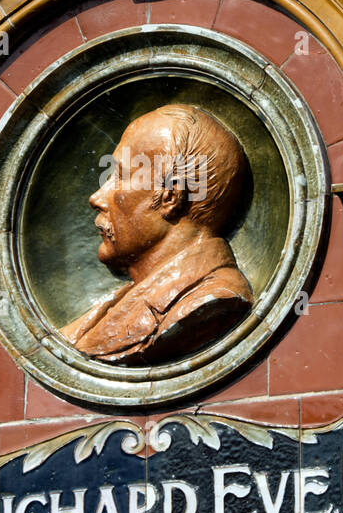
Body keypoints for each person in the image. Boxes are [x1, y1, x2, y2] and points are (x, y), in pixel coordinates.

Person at [60, 104, 252, 364]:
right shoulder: (114, 304)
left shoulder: (212, 300)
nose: (97, 198)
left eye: (120, 175)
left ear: (170, 197)